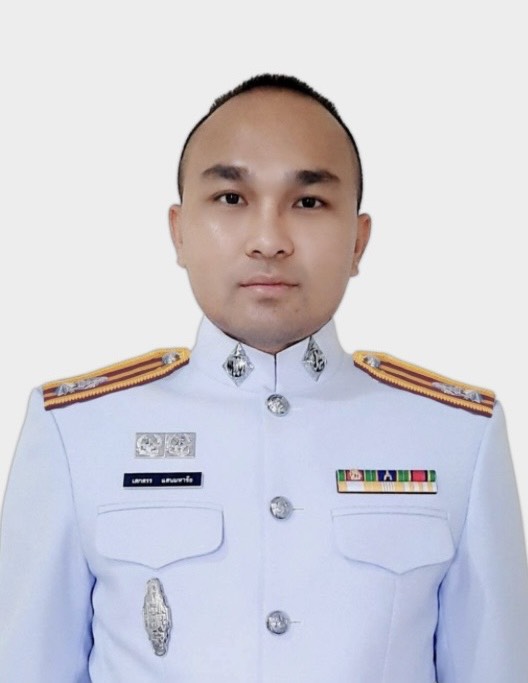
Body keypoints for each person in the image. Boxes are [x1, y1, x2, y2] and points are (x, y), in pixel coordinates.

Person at [0, 73, 527, 683]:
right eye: (231, 198)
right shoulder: (77, 432)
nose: (269, 240)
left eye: (308, 202)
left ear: (358, 241)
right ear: (178, 231)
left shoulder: (456, 436)